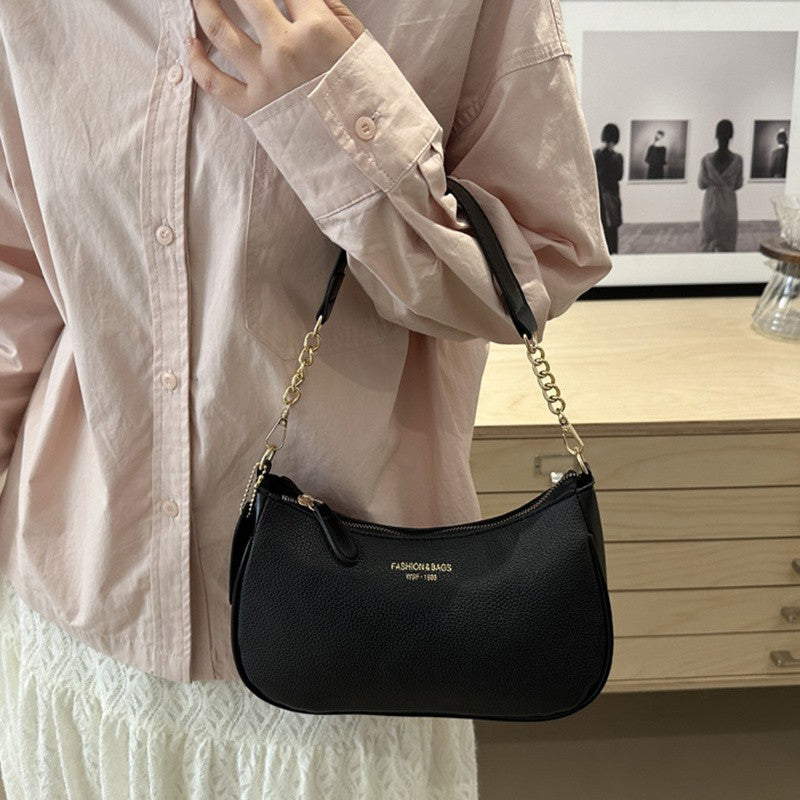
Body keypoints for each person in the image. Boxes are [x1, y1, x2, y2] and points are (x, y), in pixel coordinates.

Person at [0, 0, 613, 796]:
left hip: (344, 654)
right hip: (78, 628)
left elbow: (533, 275)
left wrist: (338, 105)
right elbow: (17, 285)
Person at [698, 119, 744, 252]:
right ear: (731, 135)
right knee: (727, 244)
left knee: (707, 243)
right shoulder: (738, 160)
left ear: (716, 135)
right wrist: (726, 186)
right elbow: (738, 184)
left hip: (710, 204)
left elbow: (701, 184)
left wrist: (714, 184)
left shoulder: (706, 159)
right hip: (728, 205)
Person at [594, 123, 624, 254]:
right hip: (611, 196)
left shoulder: (596, 154)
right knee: (612, 232)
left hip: (599, 195)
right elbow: (619, 176)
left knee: (601, 229)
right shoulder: (617, 157)